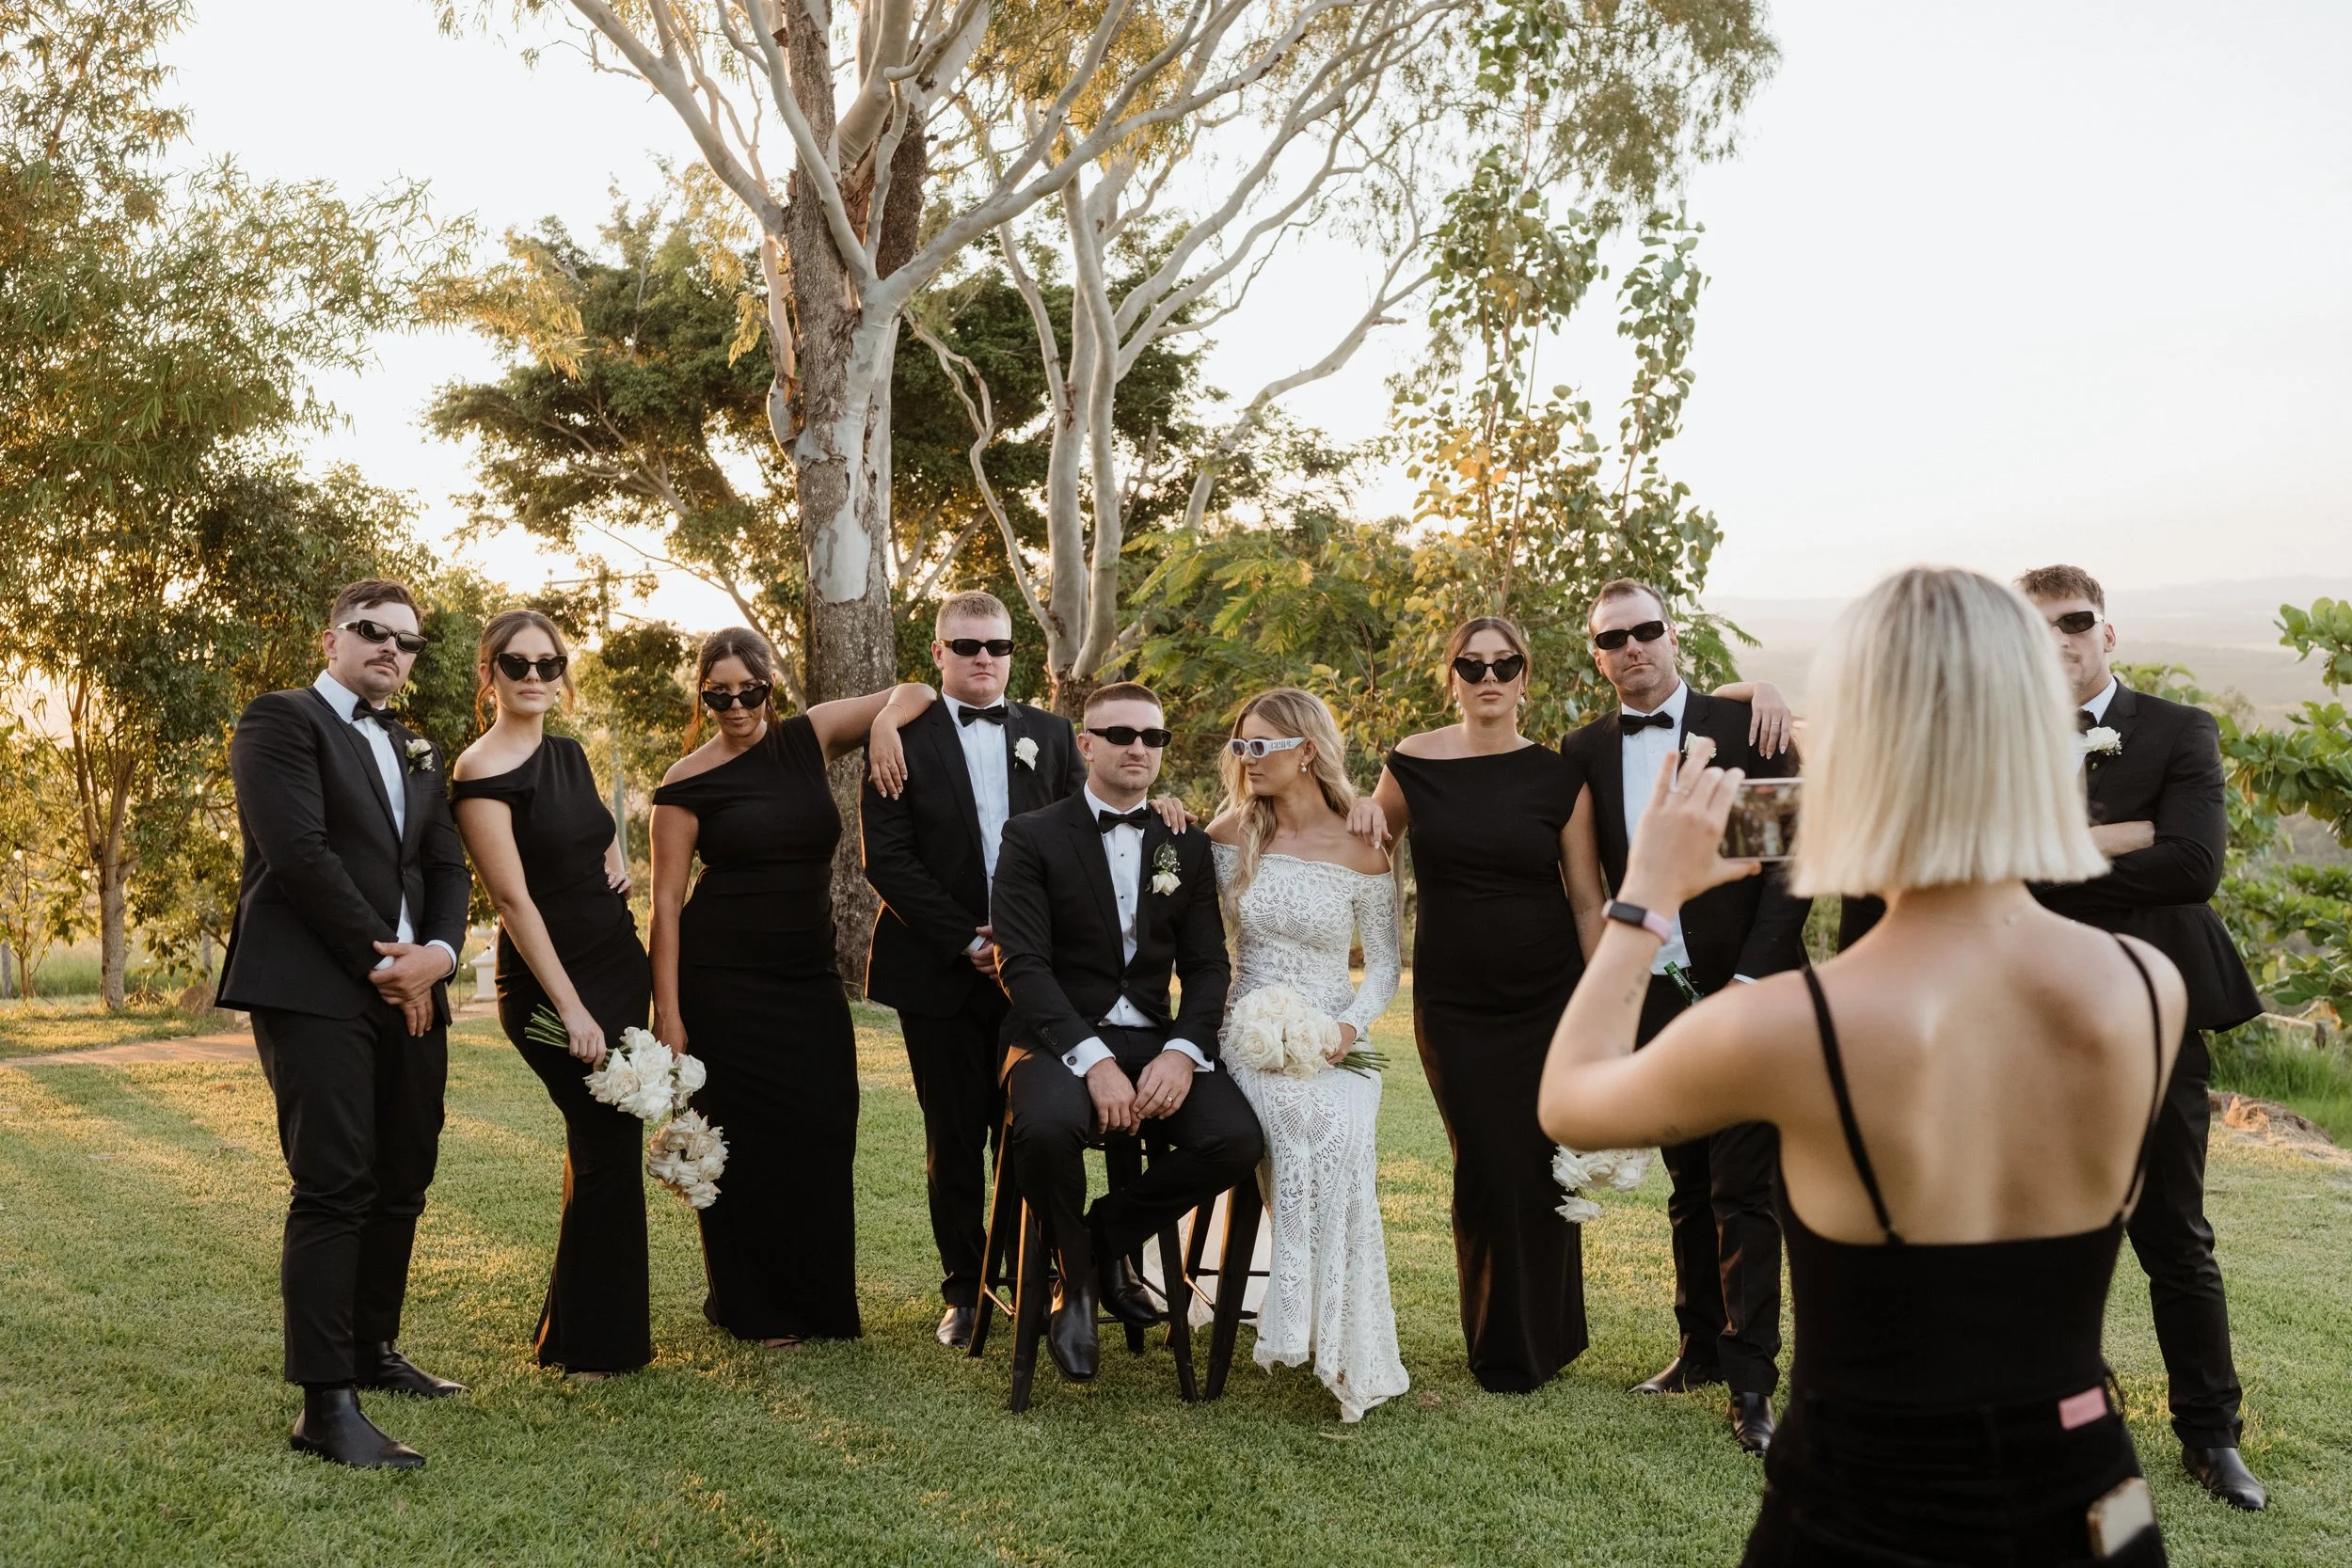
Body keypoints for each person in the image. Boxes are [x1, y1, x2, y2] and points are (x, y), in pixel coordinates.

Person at [1540, 565, 2185, 1565]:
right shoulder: (2147, 985)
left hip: (1865, 1510)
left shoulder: (1798, 1025)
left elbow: (1571, 1101)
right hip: (2098, 1497)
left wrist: (1648, 896)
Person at [1844, 564, 2267, 1511]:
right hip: (2018, 1016)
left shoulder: (2179, 729)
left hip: (2149, 1013)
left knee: (2175, 1233)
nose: (2057, 640)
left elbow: (2192, 864)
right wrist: (2115, 839)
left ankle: (2211, 1434)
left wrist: (2037, 857)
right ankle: (2060, 1413)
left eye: (2074, 621)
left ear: (2106, 632)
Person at [219, 578, 471, 1470]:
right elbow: (300, 856)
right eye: (373, 631)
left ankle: (373, 1348)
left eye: (407, 640)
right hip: (315, 984)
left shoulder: (416, 745)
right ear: (332, 640)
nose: (391, 649)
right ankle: (325, 1406)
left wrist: (438, 956)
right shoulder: (279, 720)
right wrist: (387, 965)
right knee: (334, 1181)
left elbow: (446, 863)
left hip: (415, 987)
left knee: (405, 1171)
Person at [1559, 578, 1810, 1454]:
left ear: (1673, 636)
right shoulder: (1585, 750)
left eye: (1646, 630)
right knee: (1690, 1183)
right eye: (1612, 638)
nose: (1632, 647)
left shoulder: (1743, 729)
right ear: (1598, 656)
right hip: (1658, 996)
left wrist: (1747, 979)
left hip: (1750, 990)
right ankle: (1698, 1347)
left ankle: (1751, 1382)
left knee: (1745, 1188)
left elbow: (1787, 870)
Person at [647, 628, 933, 1348]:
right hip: (722, 981)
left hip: (808, 976)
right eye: (720, 695)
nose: (738, 705)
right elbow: (665, 904)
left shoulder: (811, 736)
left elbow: (918, 690)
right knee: (740, 1142)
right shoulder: (685, 781)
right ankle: (751, 1305)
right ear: (703, 695)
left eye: (751, 690)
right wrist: (668, 1013)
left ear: (770, 686)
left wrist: (886, 725)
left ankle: (819, 1300)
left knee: (825, 1124)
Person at [989, 682, 1264, 1383]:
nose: (1138, 747)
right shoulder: (1031, 836)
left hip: (1154, 1038)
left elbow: (1208, 966)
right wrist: (1092, 1060)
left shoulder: (1185, 842)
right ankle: (1080, 1282)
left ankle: (1093, 1244)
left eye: (1152, 736)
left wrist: (1183, 1052)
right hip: (1056, 1036)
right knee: (1046, 1128)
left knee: (1234, 1138)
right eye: (1120, 734)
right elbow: (1021, 964)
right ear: (1086, 744)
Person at [1359, 617, 1605, 1395]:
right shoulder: (1410, 764)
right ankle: (1500, 1345)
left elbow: (1587, 902)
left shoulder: (1559, 778)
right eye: (1472, 665)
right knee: (1485, 1164)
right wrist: (1345, 810)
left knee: (1540, 1162)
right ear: (1452, 678)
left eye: (1504, 664)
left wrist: (1606, 1003)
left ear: (1525, 676)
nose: (1488, 676)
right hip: (1454, 1001)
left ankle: (1550, 1337)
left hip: (1549, 996)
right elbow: (1365, 851)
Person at [860, 591, 1086, 1350]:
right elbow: (887, 858)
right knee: (953, 1136)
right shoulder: (898, 737)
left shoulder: (1051, 734)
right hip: (939, 972)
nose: (983, 657)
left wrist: (1029, 942)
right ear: (939, 652)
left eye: (997, 645)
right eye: (966, 645)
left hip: (1037, 973)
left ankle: (1033, 1278)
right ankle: (965, 1286)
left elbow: (1084, 837)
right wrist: (967, 940)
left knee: (1030, 1130)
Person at [450, 610, 652, 1380]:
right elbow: (512, 901)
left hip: (616, 963)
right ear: (489, 673)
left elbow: (597, 831)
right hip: (550, 984)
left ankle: (567, 1334)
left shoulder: (569, 753)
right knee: (605, 1150)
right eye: (517, 663)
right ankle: (596, 1348)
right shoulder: (479, 770)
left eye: (548, 663)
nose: (534, 676)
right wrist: (571, 1008)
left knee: (603, 1146)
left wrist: (616, 865)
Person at [1207, 689, 1407, 1420]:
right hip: (1250, 1031)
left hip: (1335, 1034)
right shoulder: (1229, 834)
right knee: (1300, 1118)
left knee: (1343, 1128)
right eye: (1240, 746)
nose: (1246, 758)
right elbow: (1194, 934)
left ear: (1307, 751)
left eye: (1260, 745)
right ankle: (1298, 1321)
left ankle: (1342, 1331)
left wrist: (1346, 1030)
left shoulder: (1363, 842)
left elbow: (1383, 967)